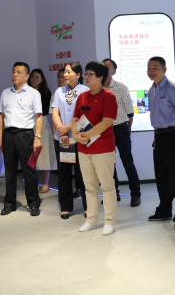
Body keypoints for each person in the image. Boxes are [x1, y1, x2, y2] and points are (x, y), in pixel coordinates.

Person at [146, 57, 175, 231]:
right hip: (159, 136)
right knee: (162, 176)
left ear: (164, 70)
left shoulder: (173, 89)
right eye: (149, 68)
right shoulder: (151, 90)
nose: (151, 71)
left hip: (174, 135)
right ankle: (164, 210)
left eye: (155, 68)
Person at [72, 61, 118, 236]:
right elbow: (75, 119)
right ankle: (91, 220)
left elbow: (106, 122)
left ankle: (109, 221)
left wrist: (84, 135)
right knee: (89, 187)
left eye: (90, 74)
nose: (87, 77)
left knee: (107, 186)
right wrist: (76, 135)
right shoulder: (82, 97)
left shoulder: (109, 96)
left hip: (103, 148)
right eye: (86, 73)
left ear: (100, 77)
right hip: (84, 148)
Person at [0, 62, 43, 217]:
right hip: (8, 135)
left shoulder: (33, 93)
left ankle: (33, 203)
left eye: (19, 72)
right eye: (13, 71)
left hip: (26, 135)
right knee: (9, 171)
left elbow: (38, 117)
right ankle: (9, 203)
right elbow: (1, 116)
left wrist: (37, 137)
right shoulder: (5, 93)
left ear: (27, 76)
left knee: (29, 171)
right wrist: (0, 137)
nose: (15, 74)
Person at [52, 63, 89, 219]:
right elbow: (55, 113)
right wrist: (61, 130)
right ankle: (65, 207)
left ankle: (88, 207)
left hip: (79, 138)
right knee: (64, 174)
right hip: (62, 139)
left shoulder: (85, 91)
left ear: (78, 75)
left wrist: (68, 128)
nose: (65, 75)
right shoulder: (59, 91)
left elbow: (86, 116)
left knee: (83, 175)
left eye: (68, 72)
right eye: (64, 73)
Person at [102, 58, 141, 207]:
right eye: (102, 66)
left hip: (120, 128)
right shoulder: (96, 88)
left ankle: (135, 194)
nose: (105, 69)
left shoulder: (121, 87)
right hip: (104, 130)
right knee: (108, 164)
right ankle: (114, 193)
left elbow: (130, 112)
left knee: (127, 162)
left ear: (114, 71)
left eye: (108, 67)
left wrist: (127, 129)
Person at [29, 69, 56, 193]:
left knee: (44, 152)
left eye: (37, 77)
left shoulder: (46, 92)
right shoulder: (26, 91)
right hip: (29, 123)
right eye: (32, 77)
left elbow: (42, 110)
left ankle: (46, 183)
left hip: (42, 123)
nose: (34, 79)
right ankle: (35, 183)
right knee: (32, 155)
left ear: (41, 80)